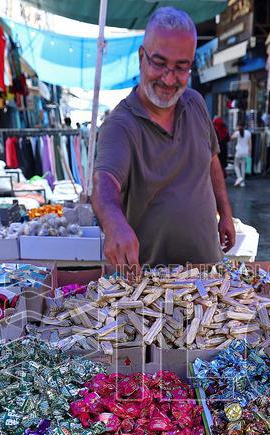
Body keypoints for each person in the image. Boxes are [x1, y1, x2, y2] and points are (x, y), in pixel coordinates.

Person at [92, 7, 236, 267]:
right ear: (141, 57)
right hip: (151, 289)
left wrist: (225, 213)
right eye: (159, 63)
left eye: (181, 67)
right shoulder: (120, 125)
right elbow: (104, 183)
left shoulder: (196, 103)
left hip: (208, 277)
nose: (169, 79)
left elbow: (212, 161)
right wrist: (113, 223)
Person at [232, 123, 252, 187]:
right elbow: (250, 143)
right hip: (245, 152)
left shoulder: (237, 133)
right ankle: (242, 183)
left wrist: (235, 130)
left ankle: (239, 177)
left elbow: (231, 138)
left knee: (236, 165)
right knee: (243, 167)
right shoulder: (248, 133)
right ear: (245, 126)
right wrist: (250, 152)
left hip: (238, 152)